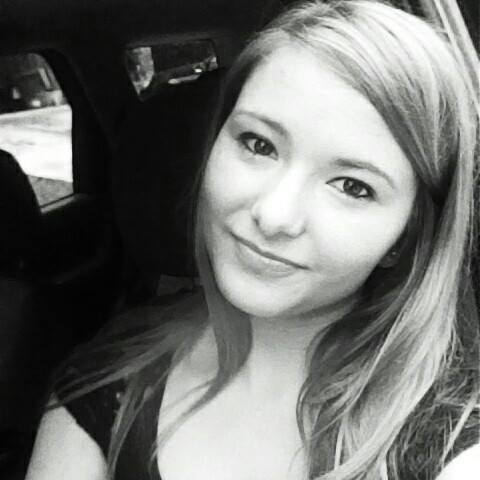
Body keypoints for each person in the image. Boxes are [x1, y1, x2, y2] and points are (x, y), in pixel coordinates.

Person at [26, 1, 479, 479]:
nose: (274, 215)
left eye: (352, 186)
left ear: (405, 236)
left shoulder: (451, 437)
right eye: (258, 144)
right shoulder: (106, 379)